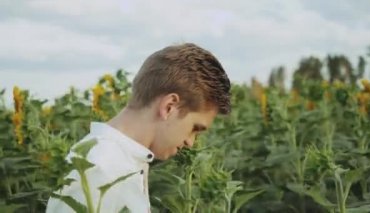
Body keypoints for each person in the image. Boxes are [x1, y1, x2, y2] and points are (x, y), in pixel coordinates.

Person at [46, 43, 231, 212]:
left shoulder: (125, 161)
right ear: (169, 107)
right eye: (194, 128)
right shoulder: (98, 170)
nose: (190, 142)